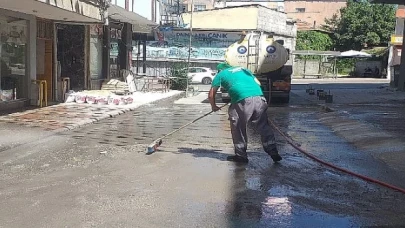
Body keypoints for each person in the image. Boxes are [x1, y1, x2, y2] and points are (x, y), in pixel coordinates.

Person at [208, 62, 282, 164]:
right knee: (263, 126)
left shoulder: (220, 74)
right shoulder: (243, 69)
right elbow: (258, 83)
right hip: (259, 98)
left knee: (237, 125)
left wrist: (214, 106)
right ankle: (273, 151)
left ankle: (241, 155)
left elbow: (212, 94)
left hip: (242, 100)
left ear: (220, 70)